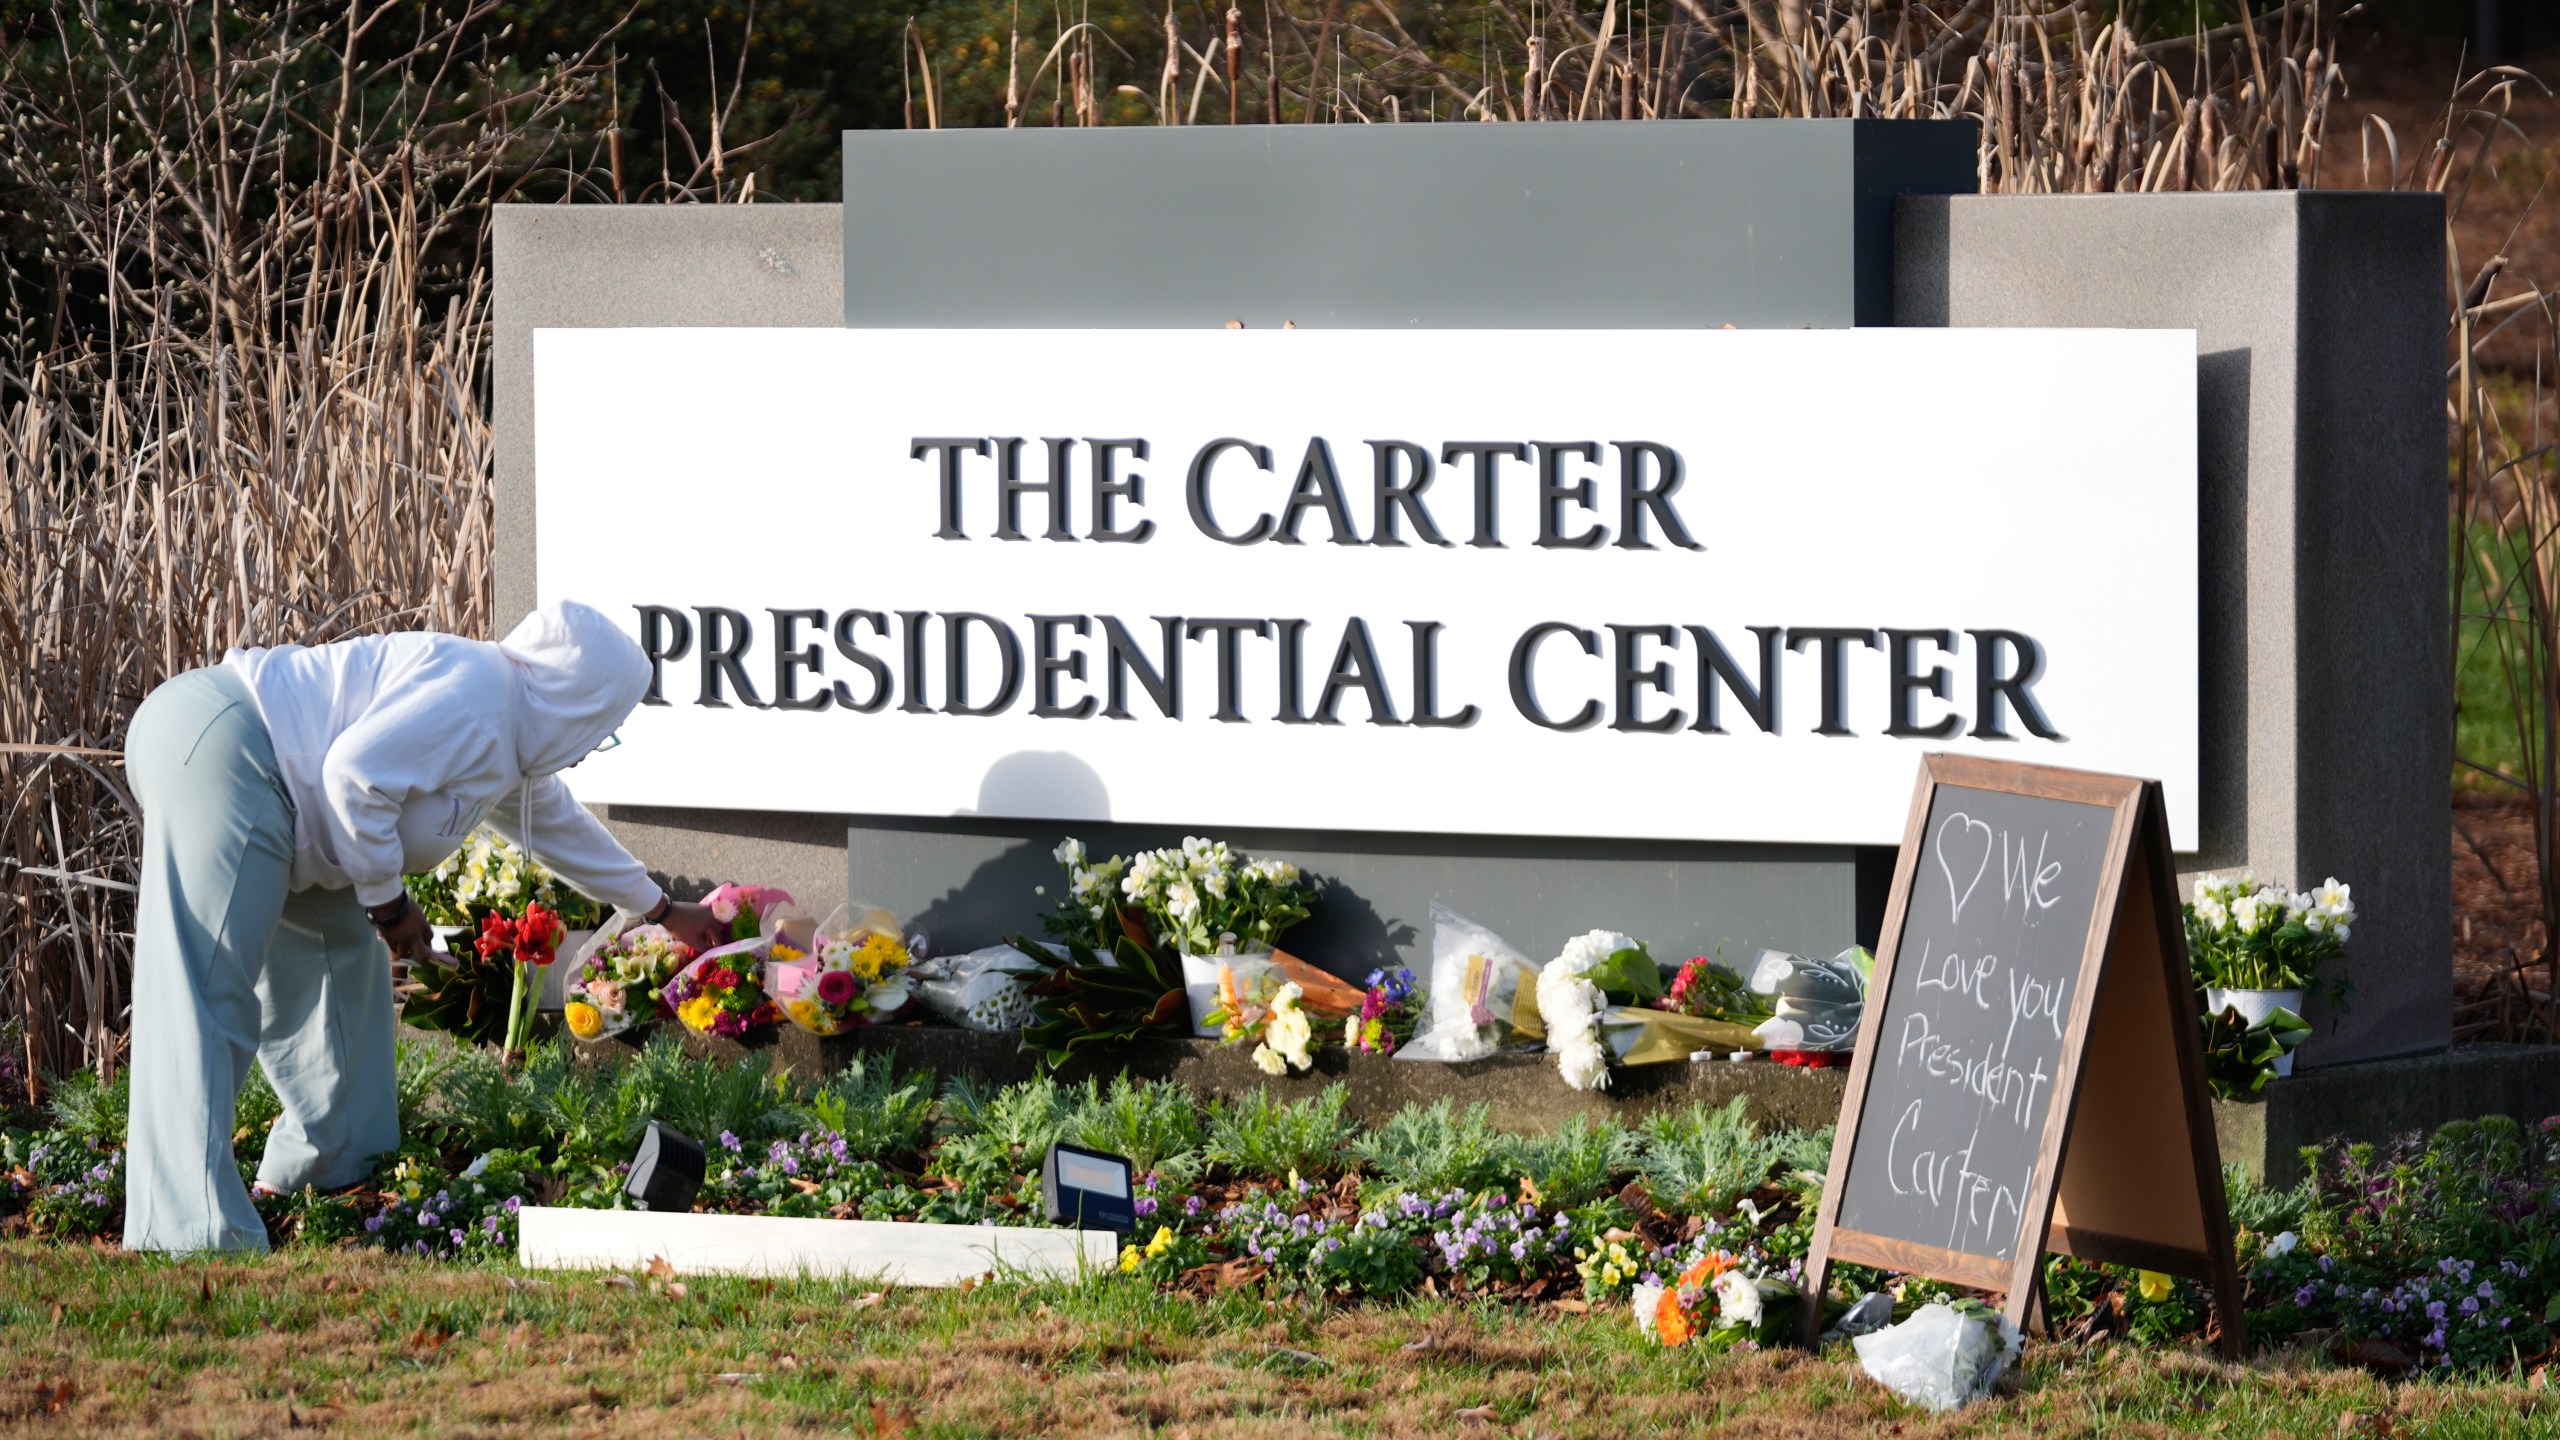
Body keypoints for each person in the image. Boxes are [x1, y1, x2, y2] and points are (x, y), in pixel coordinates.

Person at [120, 600, 722, 1253]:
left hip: (294, 807)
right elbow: (353, 775)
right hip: (227, 748)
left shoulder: (510, 733)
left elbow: (564, 832)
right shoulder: (479, 694)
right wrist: (388, 905)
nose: (594, 746)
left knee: (340, 978)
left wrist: (665, 912)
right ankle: (185, 1230)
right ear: (578, 701)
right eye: (603, 725)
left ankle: (332, 1174)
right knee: (206, 988)